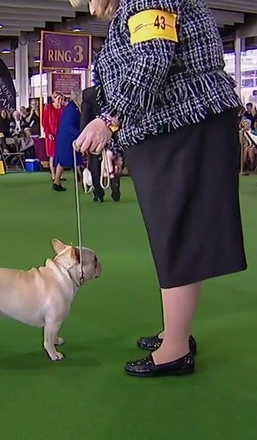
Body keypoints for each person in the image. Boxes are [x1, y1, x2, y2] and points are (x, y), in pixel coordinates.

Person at [72, 0, 246, 377]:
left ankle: (176, 350)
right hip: (172, 128)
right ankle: (176, 332)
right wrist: (119, 143)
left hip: (183, 126)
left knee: (175, 234)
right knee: (175, 234)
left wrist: (108, 121)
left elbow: (153, 60)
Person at [81, 85, 120, 202]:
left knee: (94, 164)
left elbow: (84, 118)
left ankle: (98, 194)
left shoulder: (88, 94)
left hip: (94, 135)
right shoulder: (115, 89)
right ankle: (115, 185)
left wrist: (83, 136)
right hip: (113, 132)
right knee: (113, 161)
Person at [52, 88, 84, 192]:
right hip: (67, 138)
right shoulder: (71, 108)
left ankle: (58, 182)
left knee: (71, 161)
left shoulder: (73, 107)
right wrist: (80, 134)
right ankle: (57, 182)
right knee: (64, 160)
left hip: (67, 137)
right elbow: (68, 125)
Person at [41, 91, 65, 182]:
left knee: (61, 154)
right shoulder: (48, 108)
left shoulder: (64, 108)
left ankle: (60, 174)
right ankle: (53, 174)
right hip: (51, 135)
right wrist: (48, 133)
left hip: (61, 134)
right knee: (52, 155)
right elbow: (44, 122)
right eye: (58, 98)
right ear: (54, 99)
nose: (60, 100)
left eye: (61, 99)